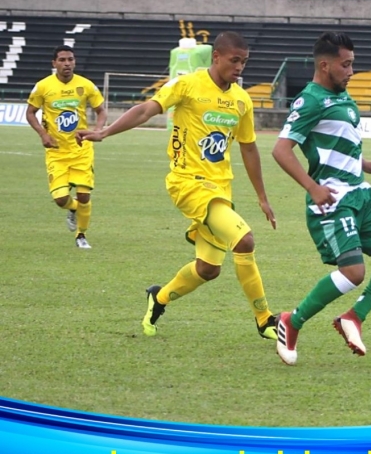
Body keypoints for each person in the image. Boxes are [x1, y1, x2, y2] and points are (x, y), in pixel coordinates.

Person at [77, 32, 278, 339]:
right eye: (234, 60)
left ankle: (158, 297)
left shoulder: (242, 100)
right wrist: (104, 132)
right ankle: (265, 320)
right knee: (245, 240)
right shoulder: (187, 84)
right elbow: (146, 109)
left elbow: (248, 148)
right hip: (188, 184)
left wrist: (262, 197)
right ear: (217, 57)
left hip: (220, 189)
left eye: (244, 62)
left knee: (208, 269)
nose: (240, 67)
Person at [271, 32, 371, 366]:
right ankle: (290, 321)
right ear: (325, 65)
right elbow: (281, 150)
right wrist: (313, 188)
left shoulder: (343, 96)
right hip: (333, 198)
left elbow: (337, 143)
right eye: (346, 64)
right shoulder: (309, 100)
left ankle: (354, 316)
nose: (352, 71)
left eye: (352, 63)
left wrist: (364, 164)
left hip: (361, 193)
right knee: (353, 272)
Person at [26, 45, 107, 249]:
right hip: (56, 151)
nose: (67, 64)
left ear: (75, 61)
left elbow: (101, 111)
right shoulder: (43, 86)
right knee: (61, 199)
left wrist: (97, 131)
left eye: (70, 59)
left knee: (84, 194)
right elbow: (30, 112)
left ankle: (81, 235)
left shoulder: (86, 85)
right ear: (54, 63)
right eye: (62, 60)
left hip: (81, 149)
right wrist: (43, 134)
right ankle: (73, 210)